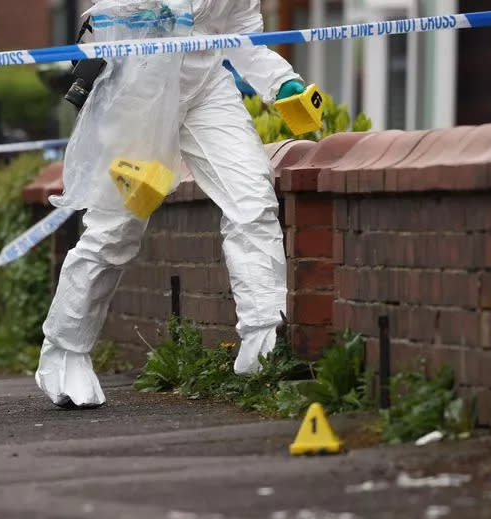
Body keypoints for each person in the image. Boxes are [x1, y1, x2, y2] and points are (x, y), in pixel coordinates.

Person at [37, 0, 308, 409]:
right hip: (138, 92)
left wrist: (280, 81)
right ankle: (64, 352)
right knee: (115, 230)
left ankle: (264, 338)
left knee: (252, 198)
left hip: (205, 90)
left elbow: (243, 32)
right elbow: (101, 16)